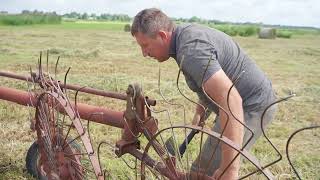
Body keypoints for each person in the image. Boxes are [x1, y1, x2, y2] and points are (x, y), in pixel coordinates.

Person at [131, 8, 277, 179]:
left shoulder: (191, 51)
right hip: (239, 102)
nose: (144, 54)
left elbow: (232, 100)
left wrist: (229, 170)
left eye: (145, 45)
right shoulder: (184, 37)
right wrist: (200, 112)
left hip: (251, 105)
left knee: (203, 172)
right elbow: (207, 81)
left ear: (162, 36)